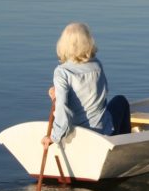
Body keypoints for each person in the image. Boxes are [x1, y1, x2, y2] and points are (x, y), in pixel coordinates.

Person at [41, 22, 131, 151]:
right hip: (102, 131)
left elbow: (62, 108)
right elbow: (104, 93)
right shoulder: (97, 66)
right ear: (88, 42)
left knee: (118, 101)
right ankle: (124, 147)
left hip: (77, 133)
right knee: (121, 101)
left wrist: (54, 137)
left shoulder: (62, 72)